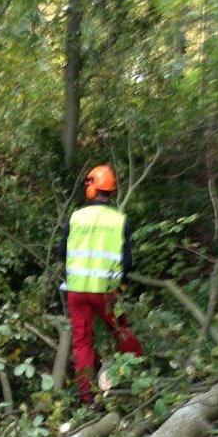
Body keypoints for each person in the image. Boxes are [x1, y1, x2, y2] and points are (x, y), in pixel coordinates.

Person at [59, 164, 143, 404]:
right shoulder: (119, 221)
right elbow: (127, 263)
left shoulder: (75, 218)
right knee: (121, 329)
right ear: (111, 191)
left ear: (91, 189)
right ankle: (139, 370)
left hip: (76, 291)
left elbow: (62, 253)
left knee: (82, 343)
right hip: (105, 292)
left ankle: (87, 398)